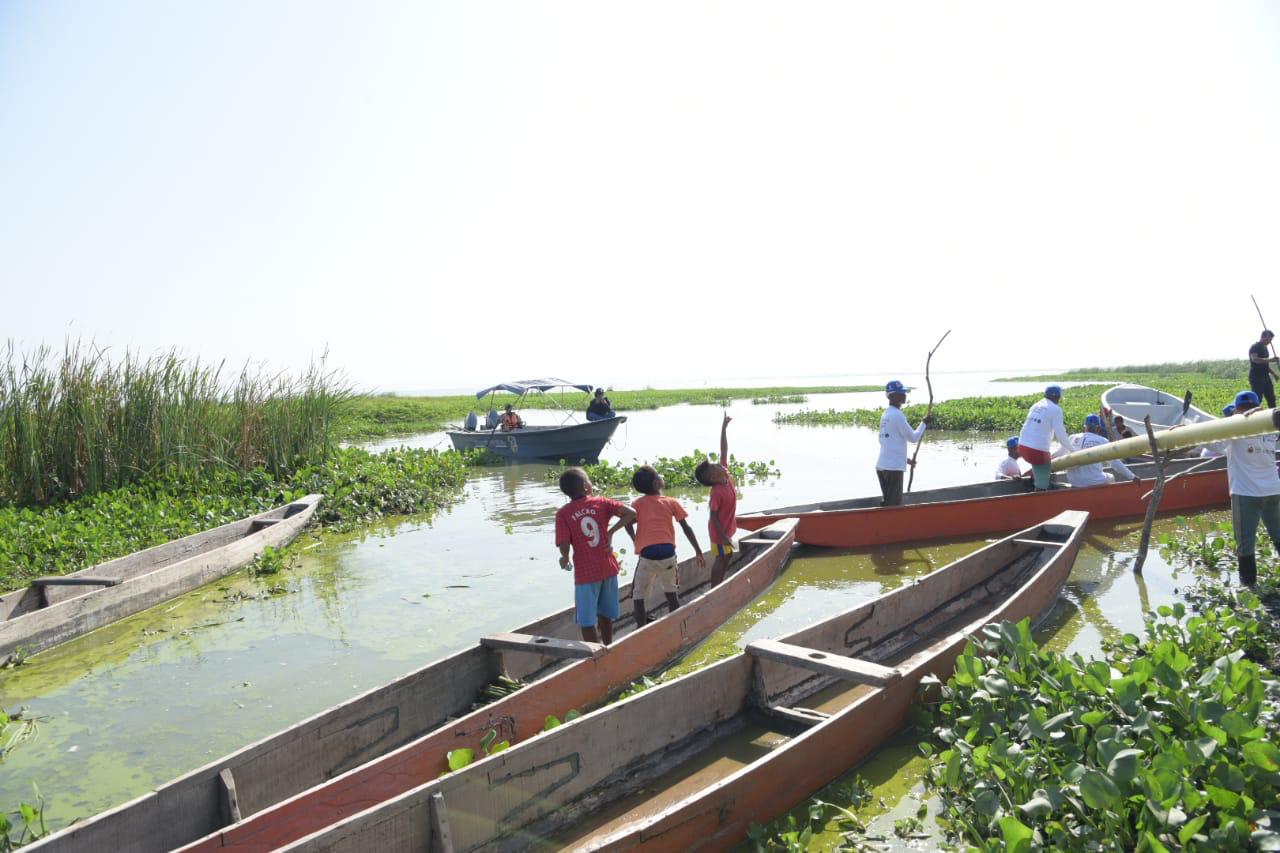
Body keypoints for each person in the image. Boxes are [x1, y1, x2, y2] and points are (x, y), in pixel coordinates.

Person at [1204, 391, 1280, 586]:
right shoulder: (1270, 429)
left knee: (1245, 544)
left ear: (1237, 410)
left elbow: (1206, 440)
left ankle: (1248, 587)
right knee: (1278, 534)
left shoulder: (1233, 431)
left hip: (1246, 493)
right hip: (1273, 491)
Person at [554, 467, 637, 643]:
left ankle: (595, 655)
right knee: (605, 614)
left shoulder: (563, 514)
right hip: (608, 568)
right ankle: (608, 646)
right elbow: (631, 513)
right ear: (585, 486)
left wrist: (564, 557)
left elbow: (564, 544)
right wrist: (611, 532)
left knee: (586, 621)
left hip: (586, 574)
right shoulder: (602, 502)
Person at [624, 465, 704, 626]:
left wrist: (635, 539)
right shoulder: (671, 502)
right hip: (668, 554)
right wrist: (698, 551)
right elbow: (686, 528)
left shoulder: (637, 504)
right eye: (659, 476)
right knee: (671, 592)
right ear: (656, 484)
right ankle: (678, 625)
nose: (662, 477)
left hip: (647, 556)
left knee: (638, 595)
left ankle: (641, 629)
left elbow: (627, 523)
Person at [875, 380, 934, 505]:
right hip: (893, 469)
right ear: (892, 396)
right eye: (901, 393)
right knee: (894, 505)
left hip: (881, 466)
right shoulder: (897, 415)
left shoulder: (885, 415)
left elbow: (886, 443)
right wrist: (924, 423)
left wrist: (906, 460)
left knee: (888, 502)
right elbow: (913, 438)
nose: (905, 395)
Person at [694, 413, 737, 586]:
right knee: (721, 558)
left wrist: (723, 429)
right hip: (719, 533)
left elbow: (724, 450)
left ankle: (719, 584)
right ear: (712, 477)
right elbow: (712, 517)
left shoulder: (724, 473)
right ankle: (715, 588)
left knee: (727, 556)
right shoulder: (716, 492)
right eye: (714, 466)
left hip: (727, 529)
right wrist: (724, 537)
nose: (718, 464)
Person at [1017, 385, 1073, 491]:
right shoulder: (1056, 409)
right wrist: (1073, 450)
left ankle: (1035, 479)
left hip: (1022, 447)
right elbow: (1061, 435)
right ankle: (1039, 492)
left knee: (1039, 467)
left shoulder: (1036, 405)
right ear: (1057, 397)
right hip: (1037, 451)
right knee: (1043, 486)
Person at [1064, 414, 1137, 488]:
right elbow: (1115, 463)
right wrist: (1132, 477)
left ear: (1085, 427)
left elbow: (1059, 454)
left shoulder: (1072, 437)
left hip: (1073, 481)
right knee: (1111, 477)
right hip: (1093, 481)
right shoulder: (1102, 441)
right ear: (1098, 428)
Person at [1249, 330, 1279, 409]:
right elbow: (1255, 359)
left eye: (1270, 340)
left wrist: (1274, 374)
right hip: (1256, 377)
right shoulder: (1255, 347)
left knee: (1271, 398)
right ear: (1263, 337)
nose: (1269, 342)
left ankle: (1274, 417)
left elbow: (1265, 365)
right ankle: (1254, 417)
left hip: (1266, 377)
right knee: (1257, 399)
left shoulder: (1265, 349)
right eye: (1268, 340)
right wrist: (1270, 360)